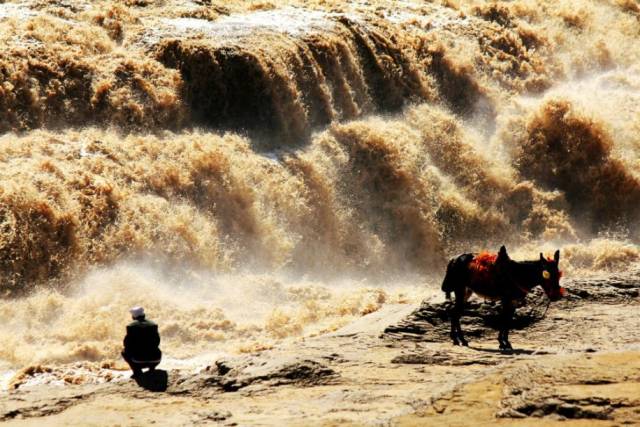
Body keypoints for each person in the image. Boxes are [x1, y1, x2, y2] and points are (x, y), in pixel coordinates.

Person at [121, 306, 162, 378]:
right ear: (144, 315)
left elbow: (126, 344)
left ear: (133, 317)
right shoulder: (153, 324)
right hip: (156, 359)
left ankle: (137, 372)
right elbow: (157, 341)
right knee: (154, 348)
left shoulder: (131, 326)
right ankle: (152, 369)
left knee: (124, 351)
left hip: (139, 361)